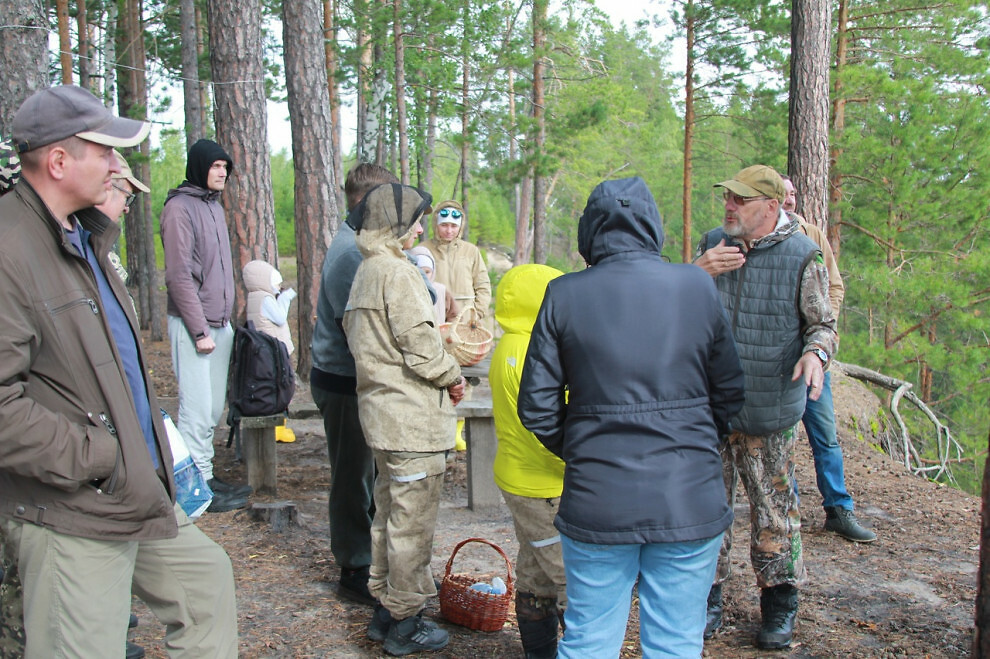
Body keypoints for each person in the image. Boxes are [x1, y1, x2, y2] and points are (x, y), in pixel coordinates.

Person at [0, 84, 237, 658]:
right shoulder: (9, 247)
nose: (116, 165)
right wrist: (101, 456)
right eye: (104, 151)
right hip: (72, 504)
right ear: (59, 162)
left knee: (206, 587)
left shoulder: (83, 239)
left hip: (132, 484)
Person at [517, 177, 746, 657]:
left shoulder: (564, 294)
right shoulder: (696, 285)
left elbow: (536, 406)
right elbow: (729, 390)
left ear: (589, 231)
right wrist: (698, 441)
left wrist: (583, 448)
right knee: (676, 642)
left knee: (589, 640)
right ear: (651, 226)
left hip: (599, 498)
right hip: (688, 494)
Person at [694, 164, 838, 650]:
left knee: (774, 512)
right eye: (727, 198)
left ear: (771, 208)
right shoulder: (713, 243)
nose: (729, 207)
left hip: (768, 410)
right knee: (705, 510)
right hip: (712, 410)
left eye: (740, 200)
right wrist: (698, 273)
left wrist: (815, 354)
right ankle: (705, 600)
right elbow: (677, 307)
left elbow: (823, 324)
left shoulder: (803, 255)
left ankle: (779, 605)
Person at [343, 182, 466, 656]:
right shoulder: (397, 272)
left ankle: (385, 609)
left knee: (389, 518)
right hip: (411, 422)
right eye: (415, 219)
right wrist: (453, 376)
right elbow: (421, 344)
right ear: (392, 226)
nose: (421, 227)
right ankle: (406, 622)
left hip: (383, 419)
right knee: (411, 527)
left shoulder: (367, 270)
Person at [310, 162, 399, 605]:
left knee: (372, 477)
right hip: (343, 381)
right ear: (367, 201)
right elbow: (360, 330)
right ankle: (354, 568)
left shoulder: (364, 245)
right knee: (353, 479)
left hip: (359, 379)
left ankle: (378, 566)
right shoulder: (350, 254)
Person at [781, 175, 875, 543]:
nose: (789, 199)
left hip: (813, 355)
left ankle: (838, 509)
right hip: (776, 363)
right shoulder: (752, 237)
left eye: (792, 194)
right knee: (781, 438)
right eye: (783, 194)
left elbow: (834, 285)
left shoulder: (813, 234)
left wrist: (822, 325)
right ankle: (788, 510)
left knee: (825, 437)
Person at [161, 137, 249, 512]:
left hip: (218, 323)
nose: (222, 173)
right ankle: (194, 486)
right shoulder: (179, 208)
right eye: (216, 167)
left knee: (212, 409)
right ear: (199, 167)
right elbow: (179, 276)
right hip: (192, 325)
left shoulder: (213, 208)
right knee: (196, 410)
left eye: (225, 168)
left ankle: (206, 475)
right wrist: (198, 330)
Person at [490, 263, 567, 659]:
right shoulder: (530, 352)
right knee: (571, 579)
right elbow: (549, 422)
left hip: (525, 478)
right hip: (540, 485)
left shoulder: (514, 342)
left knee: (537, 575)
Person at [243, 259, 298, 443]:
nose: (278, 286)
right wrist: (286, 298)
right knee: (282, 387)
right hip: (274, 353)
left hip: (265, 353)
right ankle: (278, 427)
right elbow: (280, 318)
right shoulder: (265, 299)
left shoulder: (254, 297)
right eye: (275, 283)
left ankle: (279, 426)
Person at [421, 200, 491, 319]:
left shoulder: (471, 251)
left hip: (466, 319)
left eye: (454, 226)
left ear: (460, 226)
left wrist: (478, 313)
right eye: (444, 225)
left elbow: (482, 284)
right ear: (436, 224)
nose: (449, 231)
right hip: (434, 318)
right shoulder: (423, 250)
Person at [406, 245, 458, 325]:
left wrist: (448, 331)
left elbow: (454, 316)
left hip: (439, 335)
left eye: (427, 272)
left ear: (433, 271)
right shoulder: (405, 290)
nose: (423, 276)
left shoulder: (441, 291)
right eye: (420, 272)